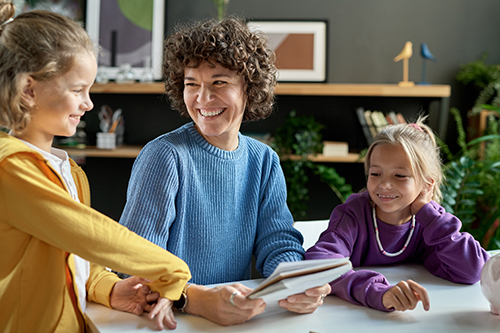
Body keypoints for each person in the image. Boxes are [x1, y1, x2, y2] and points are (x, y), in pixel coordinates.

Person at [119, 17, 331, 326]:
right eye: (192, 84)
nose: (203, 98)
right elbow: (134, 261)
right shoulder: (164, 156)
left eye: (219, 82)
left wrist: (294, 283)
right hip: (173, 319)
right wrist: (192, 299)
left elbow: (279, 242)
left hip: (234, 318)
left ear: (250, 88)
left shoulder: (263, 160)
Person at [0, 4, 191, 332]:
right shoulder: (10, 165)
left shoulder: (67, 169)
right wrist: (173, 270)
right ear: (29, 90)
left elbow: (76, 256)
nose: (88, 103)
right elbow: (91, 235)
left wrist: (108, 288)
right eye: (77, 90)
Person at [305, 117, 490, 312]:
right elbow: (320, 264)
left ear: (427, 184)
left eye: (400, 176)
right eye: (375, 173)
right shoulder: (352, 215)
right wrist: (379, 292)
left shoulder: (430, 222)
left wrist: (429, 215)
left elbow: (475, 270)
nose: (384, 184)